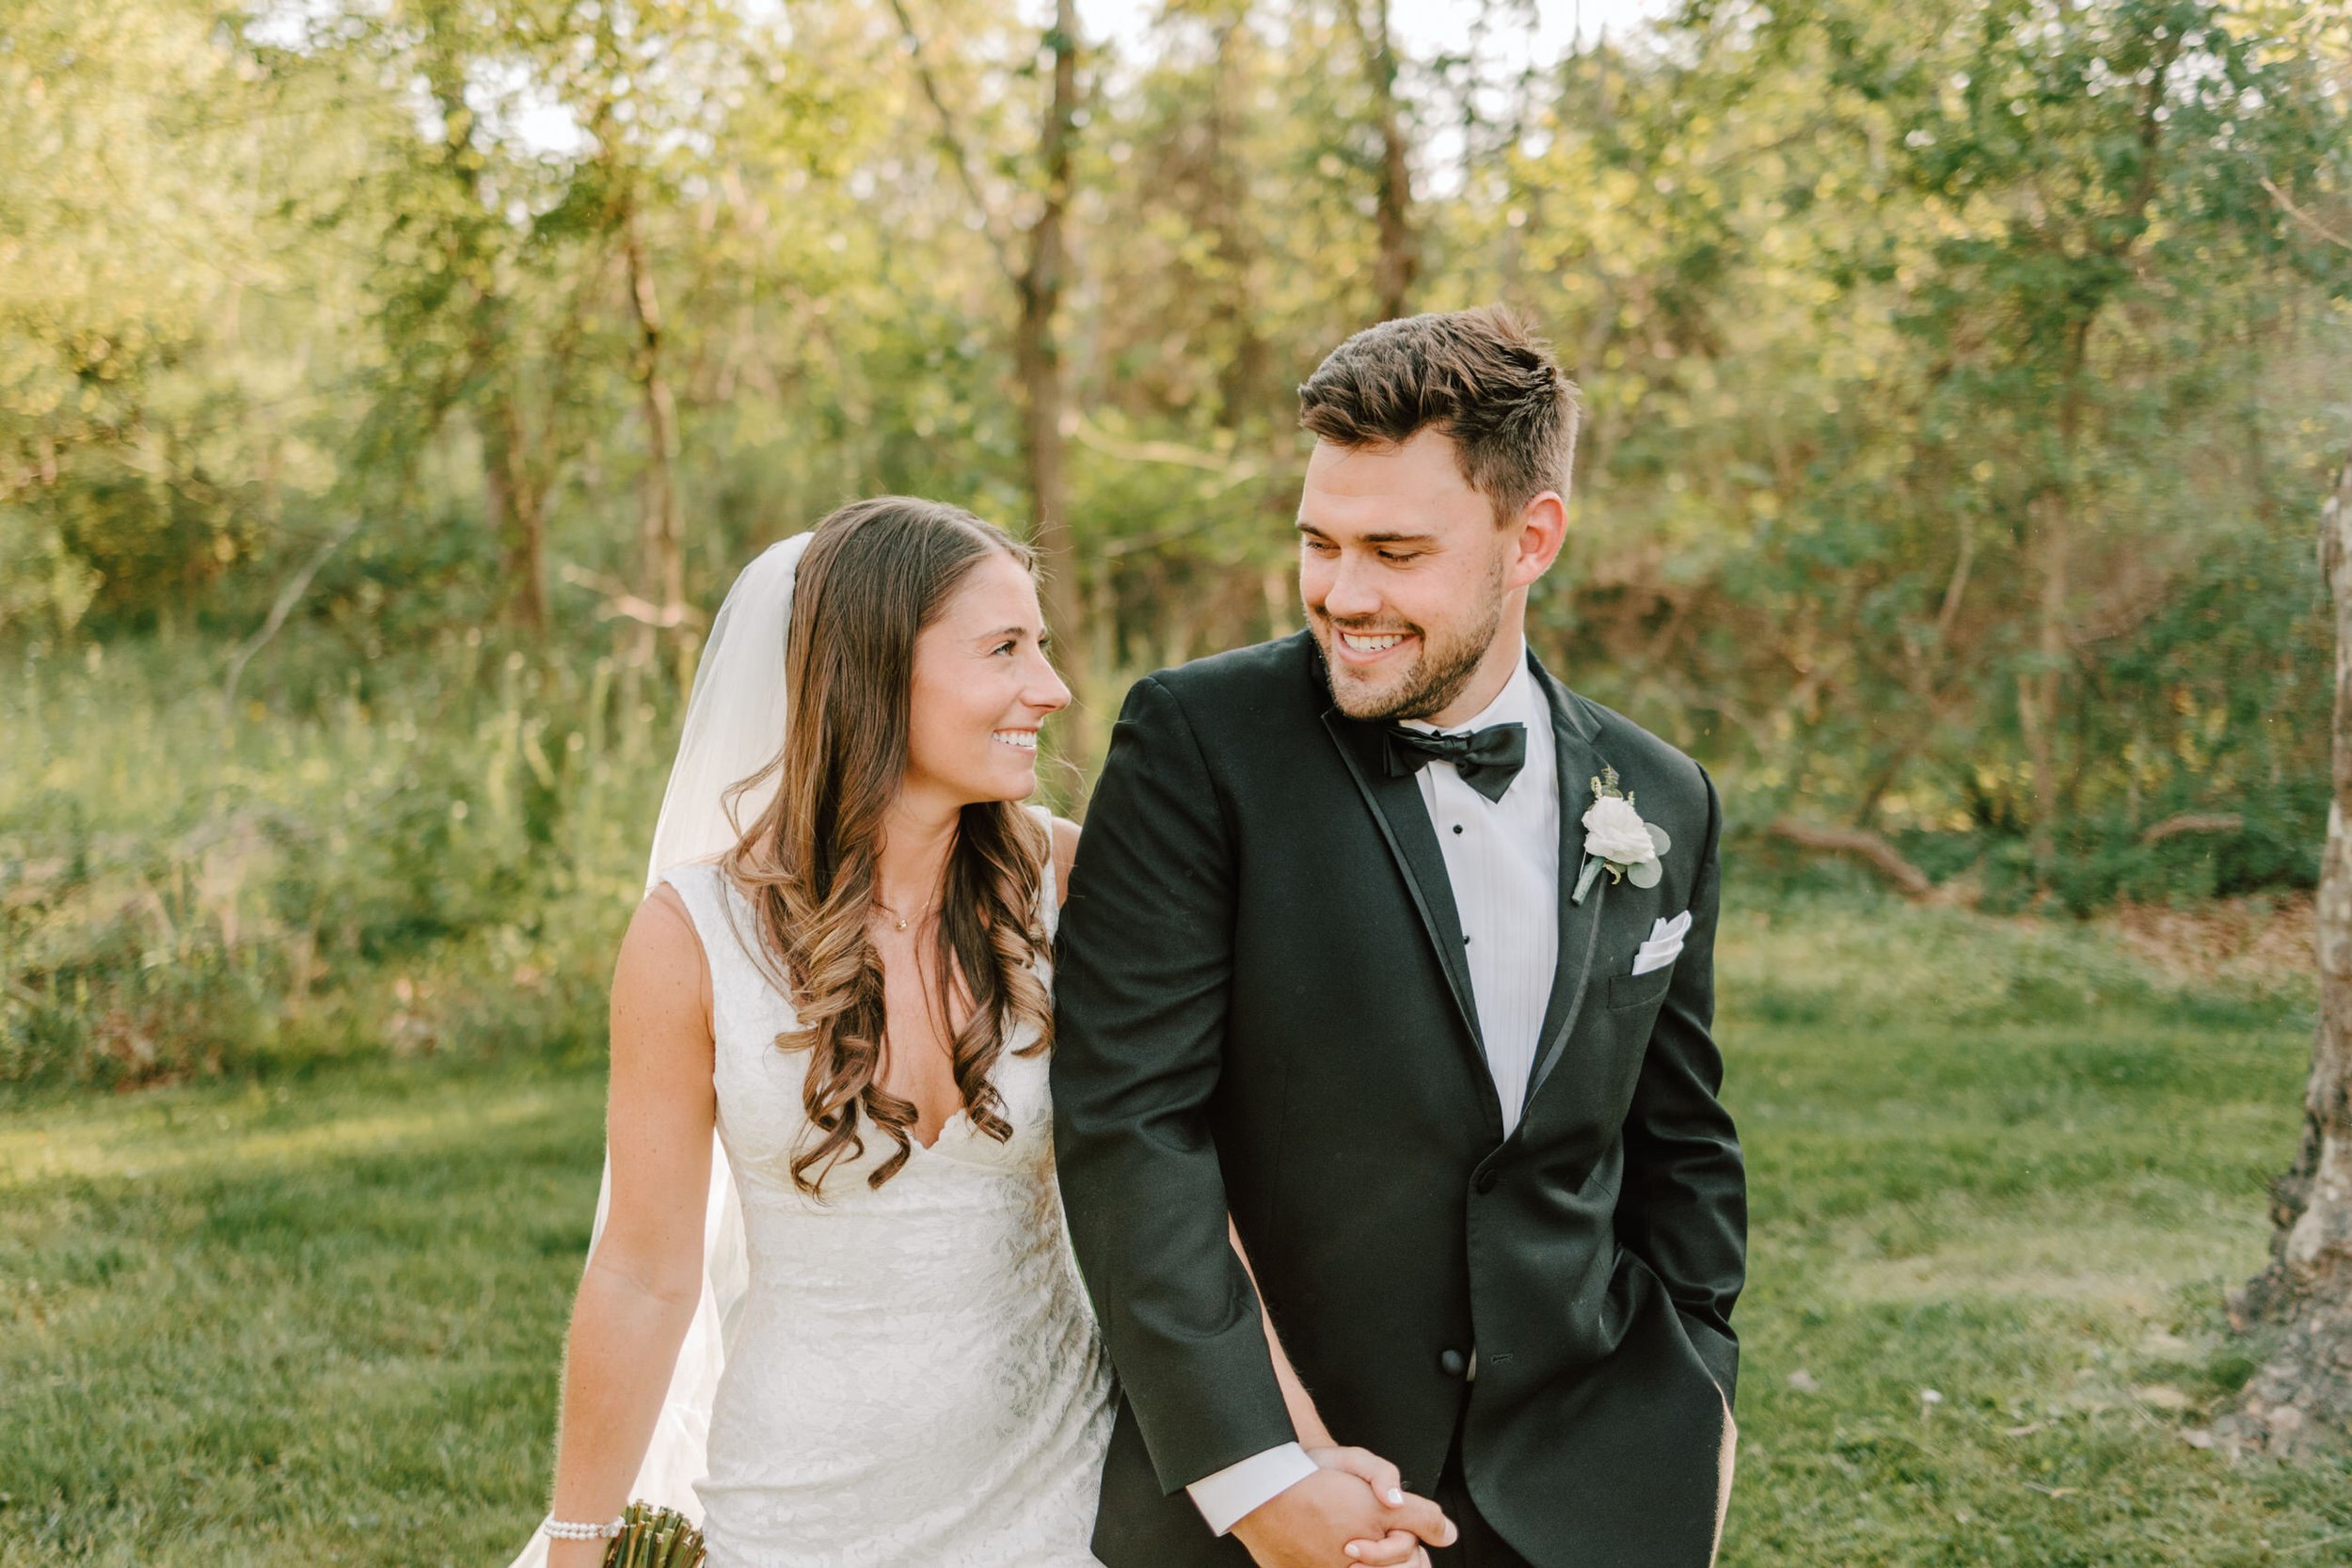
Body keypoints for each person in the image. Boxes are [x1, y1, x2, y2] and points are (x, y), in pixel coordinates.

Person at [508, 497, 1448, 1568]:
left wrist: (1300, 1455)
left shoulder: (1074, 881)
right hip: (796, 1507)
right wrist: (577, 1545)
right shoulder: (691, 936)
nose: (1049, 688)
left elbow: (1187, 1187)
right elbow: (642, 1272)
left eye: (1040, 645)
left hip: (1061, 1491)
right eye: (1004, 648)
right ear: (868, 669)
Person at [1053, 307, 1748, 1568]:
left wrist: (1697, 1385)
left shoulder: (1664, 794)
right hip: (1278, 1492)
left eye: (1395, 548)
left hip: (1586, 1491)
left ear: (1530, 537)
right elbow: (1128, 1122)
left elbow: (1680, 1134)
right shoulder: (1198, 745)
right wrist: (1259, 1470)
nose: (1343, 592)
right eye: (1319, 542)